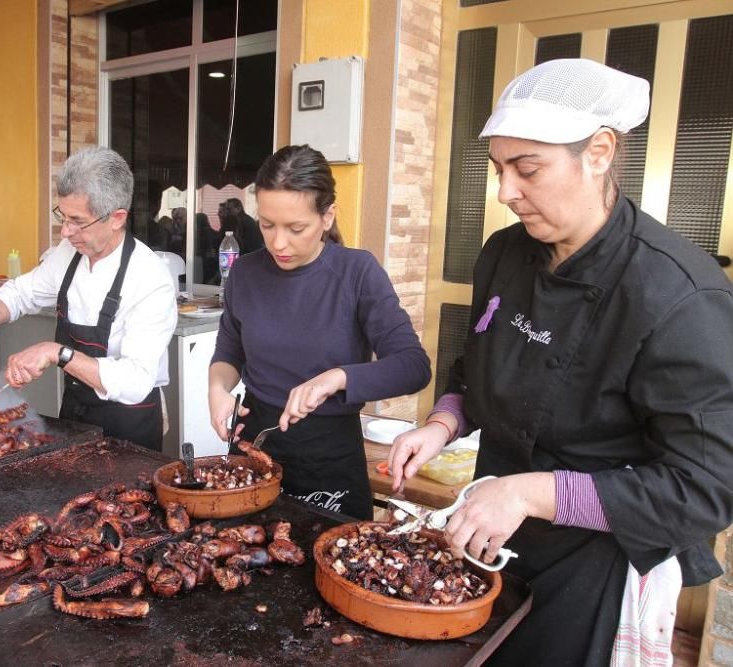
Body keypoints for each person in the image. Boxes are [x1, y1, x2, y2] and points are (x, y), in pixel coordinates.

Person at [387, 59, 733, 665]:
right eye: (499, 170)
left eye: (528, 169)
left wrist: (529, 493)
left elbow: (703, 488)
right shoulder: (504, 253)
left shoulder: (678, 296)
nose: (505, 192)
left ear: (598, 152)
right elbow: (479, 366)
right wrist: (441, 425)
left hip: (596, 557)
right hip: (494, 528)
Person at [208, 145, 431, 519]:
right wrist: (217, 389)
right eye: (266, 225)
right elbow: (229, 353)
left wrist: (336, 379)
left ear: (327, 217)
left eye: (296, 228)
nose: (278, 243)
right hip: (252, 444)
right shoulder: (244, 273)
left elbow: (413, 366)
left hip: (328, 454)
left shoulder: (357, 273)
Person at [0, 146, 177, 451]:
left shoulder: (149, 277)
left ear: (117, 218)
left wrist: (56, 352)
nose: (65, 232)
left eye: (77, 221)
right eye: (62, 217)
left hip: (129, 425)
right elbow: (19, 293)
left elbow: (135, 381)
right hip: (76, 412)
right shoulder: (69, 255)